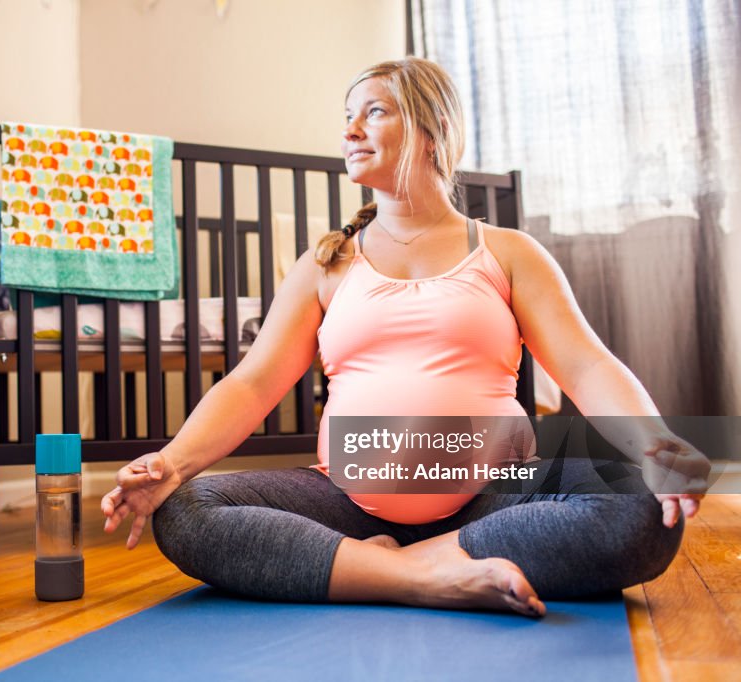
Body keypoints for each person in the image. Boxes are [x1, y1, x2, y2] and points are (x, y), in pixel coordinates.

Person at [101, 58, 708, 618]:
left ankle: (397, 565)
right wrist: (171, 463)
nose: (351, 130)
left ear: (431, 127)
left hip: (495, 501)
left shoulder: (508, 253)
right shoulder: (326, 265)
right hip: (345, 503)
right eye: (347, 117)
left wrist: (653, 440)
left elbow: (586, 364)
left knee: (638, 505)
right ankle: (426, 578)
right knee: (185, 509)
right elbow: (255, 382)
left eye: (374, 111)